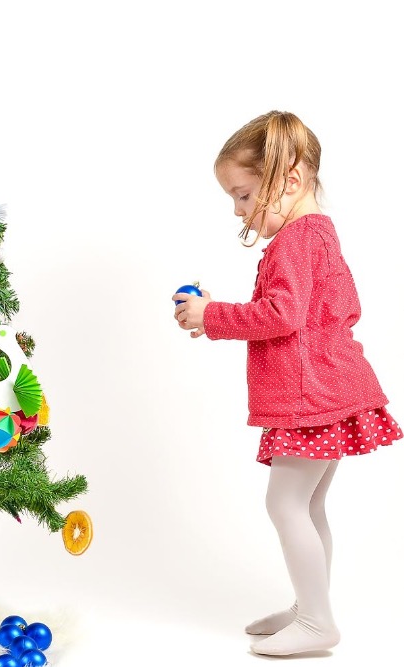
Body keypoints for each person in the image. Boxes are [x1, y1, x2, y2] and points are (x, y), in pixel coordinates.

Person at [171, 111, 402, 656]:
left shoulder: (298, 239)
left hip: (311, 395)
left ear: (290, 180)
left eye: (245, 195)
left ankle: (318, 621)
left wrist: (212, 315)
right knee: (309, 505)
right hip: (330, 388)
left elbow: (280, 314)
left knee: (286, 505)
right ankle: (308, 605)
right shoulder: (318, 234)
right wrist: (216, 317)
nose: (238, 209)